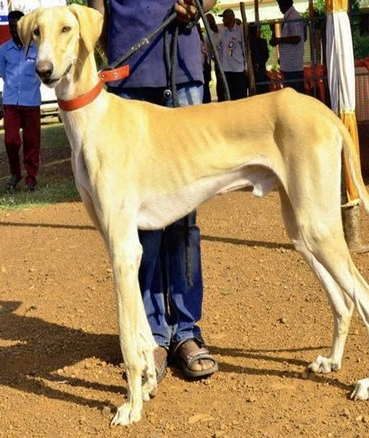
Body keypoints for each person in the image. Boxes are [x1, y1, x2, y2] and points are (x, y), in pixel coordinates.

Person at [89, 0, 218, 380]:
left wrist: (197, 6)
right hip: (127, 81)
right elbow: (96, 15)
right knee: (138, 221)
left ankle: (185, 330)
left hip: (182, 70)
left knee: (182, 214)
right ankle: (151, 334)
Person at [0, 10, 41, 193]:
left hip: (31, 103)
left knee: (32, 142)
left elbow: (41, 74)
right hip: (11, 103)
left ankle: (31, 178)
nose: (14, 29)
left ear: (25, 26)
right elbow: (4, 73)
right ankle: (15, 174)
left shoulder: (37, 49)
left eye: (18, 25)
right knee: (11, 141)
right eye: (11, 26)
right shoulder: (3, 50)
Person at [270, 0, 305, 93]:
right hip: (289, 65)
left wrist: (279, 40)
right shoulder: (289, 17)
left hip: (293, 67)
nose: (279, 7)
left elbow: (298, 38)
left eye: (280, 4)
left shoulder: (294, 16)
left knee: (296, 95)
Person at [218, 8, 247, 100]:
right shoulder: (223, 32)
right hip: (226, 71)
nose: (222, 20)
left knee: (240, 99)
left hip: (238, 70)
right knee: (228, 99)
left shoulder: (240, 31)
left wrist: (246, 67)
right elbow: (221, 51)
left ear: (231, 18)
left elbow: (245, 49)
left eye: (224, 17)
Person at [248, 23, 270, 95]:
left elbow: (266, 55)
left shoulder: (249, 42)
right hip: (258, 70)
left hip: (257, 70)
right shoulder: (259, 42)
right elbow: (266, 55)